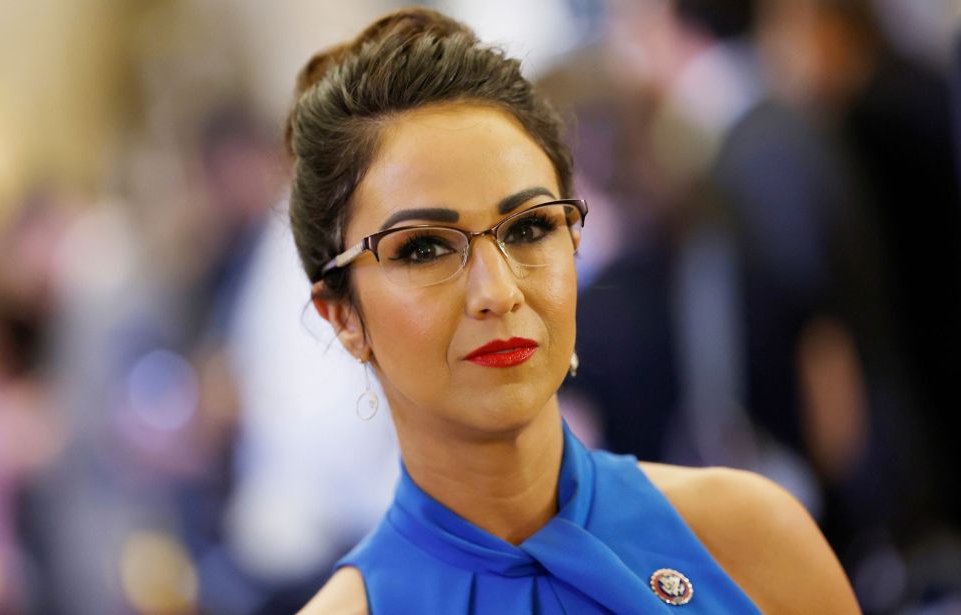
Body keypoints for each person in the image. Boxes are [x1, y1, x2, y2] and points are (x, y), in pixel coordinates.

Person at [289, 8, 859, 614]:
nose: (498, 291)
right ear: (342, 317)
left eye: (530, 227)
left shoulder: (748, 535)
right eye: (424, 248)